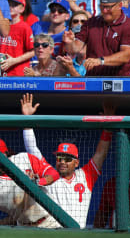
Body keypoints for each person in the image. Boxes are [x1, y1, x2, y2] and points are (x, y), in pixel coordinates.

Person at [21, 94, 115, 228]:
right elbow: (32, 148)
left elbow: (101, 153)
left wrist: (108, 126)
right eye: (60, 158)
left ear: (76, 163)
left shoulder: (85, 175)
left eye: (67, 159)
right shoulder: (48, 173)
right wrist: (27, 119)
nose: (62, 162)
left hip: (77, 236)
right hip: (52, 232)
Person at [0, 136, 60, 226]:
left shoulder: (24, 159)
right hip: (24, 226)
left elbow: (54, 174)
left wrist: (38, 182)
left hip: (50, 220)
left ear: (5, 155)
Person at [63, 0, 130, 76]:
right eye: (102, 7)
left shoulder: (129, 26)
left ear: (119, 5)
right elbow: (75, 49)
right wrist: (69, 42)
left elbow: (125, 56)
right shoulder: (91, 23)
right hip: (93, 79)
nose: (104, 11)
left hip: (118, 81)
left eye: (108, 7)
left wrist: (101, 61)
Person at [93, 141, 130, 229]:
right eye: (122, 156)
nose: (126, 159)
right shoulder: (111, 184)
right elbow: (102, 214)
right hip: (116, 235)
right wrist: (95, 234)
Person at [0, 0, 34, 76]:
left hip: (17, 72)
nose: (10, 7)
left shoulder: (24, 27)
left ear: (22, 9)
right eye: (8, 4)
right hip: (0, 71)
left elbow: (32, 51)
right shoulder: (0, 25)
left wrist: (14, 60)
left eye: (14, 5)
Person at [55, 11, 87, 77]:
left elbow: (88, 84)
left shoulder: (94, 43)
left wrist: (70, 68)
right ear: (70, 26)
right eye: (75, 21)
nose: (79, 24)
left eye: (83, 22)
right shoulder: (65, 43)